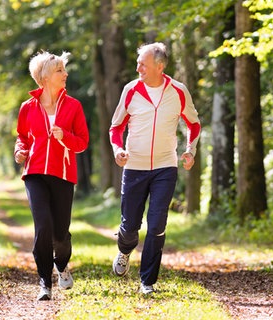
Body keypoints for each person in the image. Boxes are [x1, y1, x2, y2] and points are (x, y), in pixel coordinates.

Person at [109, 42, 201, 294]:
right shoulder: (131, 90)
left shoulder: (178, 91)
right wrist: (118, 150)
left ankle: (147, 281)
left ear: (159, 67)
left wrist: (190, 150)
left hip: (165, 166)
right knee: (129, 228)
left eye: (143, 64)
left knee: (157, 223)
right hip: (135, 166)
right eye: (138, 63)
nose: (138, 67)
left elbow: (194, 124)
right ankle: (125, 250)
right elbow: (116, 127)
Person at [14, 50, 89, 301]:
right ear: (45, 77)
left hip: (63, 173)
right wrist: (20, 151)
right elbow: (22, 137)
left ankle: (62, 264)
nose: (65, 74)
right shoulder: (27, 108)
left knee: (60, 233)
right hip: (34, 173)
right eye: (60, 71)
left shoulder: (74, 106)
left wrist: (64, 136)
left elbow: (82, 142)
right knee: (43, 227)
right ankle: (44, 282)